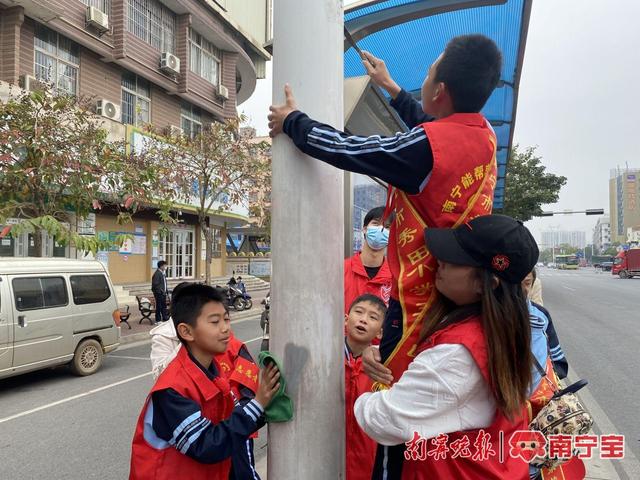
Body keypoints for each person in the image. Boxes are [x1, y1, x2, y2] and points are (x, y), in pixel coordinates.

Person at [269, 34, 503, 387]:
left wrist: (293, 122)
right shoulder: (482, 133)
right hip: (455, 289)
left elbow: (350, 150)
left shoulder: (426, 147)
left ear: (439, 90)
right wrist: (392, 88)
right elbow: (434, 131)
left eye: (427, 74)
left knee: (397, 393)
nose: (422, 80)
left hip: (419, 299)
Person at [354, 214, 538, 479]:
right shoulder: (498, 331)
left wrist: (366, 391)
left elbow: (386, 420)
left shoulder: (457, 354)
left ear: (485, 284)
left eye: (454, 260)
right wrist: (387, 354)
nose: (439, 262)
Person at [130, 284, 280, 480]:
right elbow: (206, 446)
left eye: (226, 319)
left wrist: (264, 403)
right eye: (215, 322)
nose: (226, 328)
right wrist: (258, 403)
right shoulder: (172, 388)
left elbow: (226, 430)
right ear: (186, 332)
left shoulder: (212, 371)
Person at [344, 294, 386, 480]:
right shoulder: (325, 359)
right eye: (359, 312)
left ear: (380, 333)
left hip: (367, 460)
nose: (363, 319)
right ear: (346, 319)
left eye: (373, 317)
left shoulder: (383, 370)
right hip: (326, 456)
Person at [344, 206, 393, 314]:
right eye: (376, 223)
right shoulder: (342, 269)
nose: (381, 230)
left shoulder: (395, 276)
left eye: (387, 226)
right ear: (365, 229)